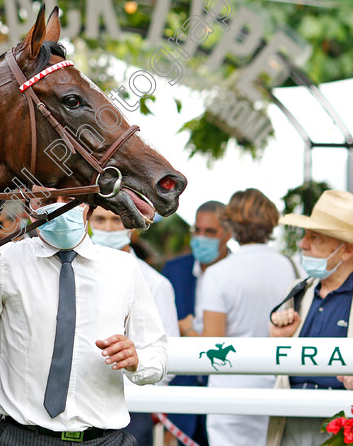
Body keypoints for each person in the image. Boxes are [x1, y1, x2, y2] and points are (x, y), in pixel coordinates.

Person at [0, 202, 167, 445]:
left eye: (71, 197)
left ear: (89, 207)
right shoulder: (5, 261)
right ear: (31, 207)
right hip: (23, 437)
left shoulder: (123, 267)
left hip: (105, 439)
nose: (59, 206)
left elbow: (158, 357)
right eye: (49, 197)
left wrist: (137, 361)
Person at [198, 189, 297, 446]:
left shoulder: (218, 273)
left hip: (229, 389)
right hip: (276, 384)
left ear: (230, 224)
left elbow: (213, 342)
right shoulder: (288, 266)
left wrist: (188, 330)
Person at [267, 190, 353, 446]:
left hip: (345, 423)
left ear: (347, 251)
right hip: (291, 418)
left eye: (315, 237)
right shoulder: (299, 289)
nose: (303, 244)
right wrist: (276, 337)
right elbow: (275, 358)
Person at [90, 206, 179, 446]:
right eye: (100, 219)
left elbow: (167, 353)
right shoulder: (71, 271)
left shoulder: (156, 284)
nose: (108, 227)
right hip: (83, 401)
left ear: (132, 226)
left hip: (133, 404)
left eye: (116, 220)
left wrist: (142, 382)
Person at [160, 200, 231, 445]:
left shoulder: (237, 273)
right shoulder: (173, 270)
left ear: (228, 233)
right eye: (197, 230)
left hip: (227, 390)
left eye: (210, 232)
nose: (201, 237)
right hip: (182, 391)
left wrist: (187, 328)